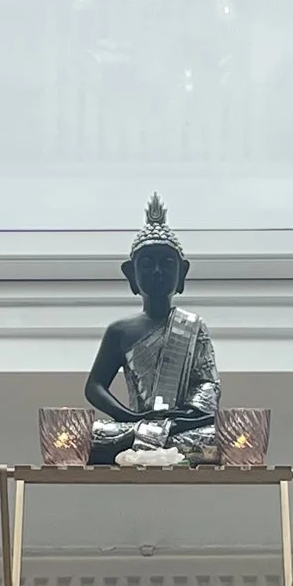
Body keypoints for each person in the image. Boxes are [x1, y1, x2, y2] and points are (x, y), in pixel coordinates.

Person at [85, 196, 220, 465]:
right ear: (130, 275)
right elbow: (95, 386)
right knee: (86, 435)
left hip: (180, 426)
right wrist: (129, 417)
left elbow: (208, 384)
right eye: (147, 264)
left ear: (182, 274)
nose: (157, 271)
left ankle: (147, 447)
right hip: (135, 424)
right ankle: (155, 445)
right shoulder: (120, 331)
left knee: (219, 437)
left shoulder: (193, 326)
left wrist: (187, 416)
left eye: (167, 264)